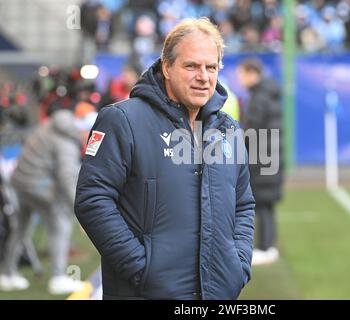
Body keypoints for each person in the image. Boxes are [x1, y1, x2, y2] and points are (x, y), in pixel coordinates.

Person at [74, 17, 255, 300]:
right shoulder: (122, 120)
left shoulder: (229, 130)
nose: (203, 76)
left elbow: (243, 203)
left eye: (211, 67)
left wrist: (238, 265)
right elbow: (92, 200)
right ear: (167, 67)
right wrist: (141, 269)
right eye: (192, 65)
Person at [0, 106, 97, 294]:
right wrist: (82, 213)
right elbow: (67, 178)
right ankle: (59, 278)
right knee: (60, 222)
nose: (91, 138)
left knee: (20, 229)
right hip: (36, 184)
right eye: (91, 133)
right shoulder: (66, 142)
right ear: (84, 128)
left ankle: (7, 275)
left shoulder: (55, 123)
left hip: (19, 180)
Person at [237, 58, 283, 265]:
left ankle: (265, 247)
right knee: (266, 204)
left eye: (243, 74)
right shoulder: (267, 94)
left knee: (262, 203)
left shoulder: (259, 97)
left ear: (252, 73)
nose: (241, 79)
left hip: (262, 157)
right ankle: (268, 245)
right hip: (269, 156)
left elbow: (251, 131)